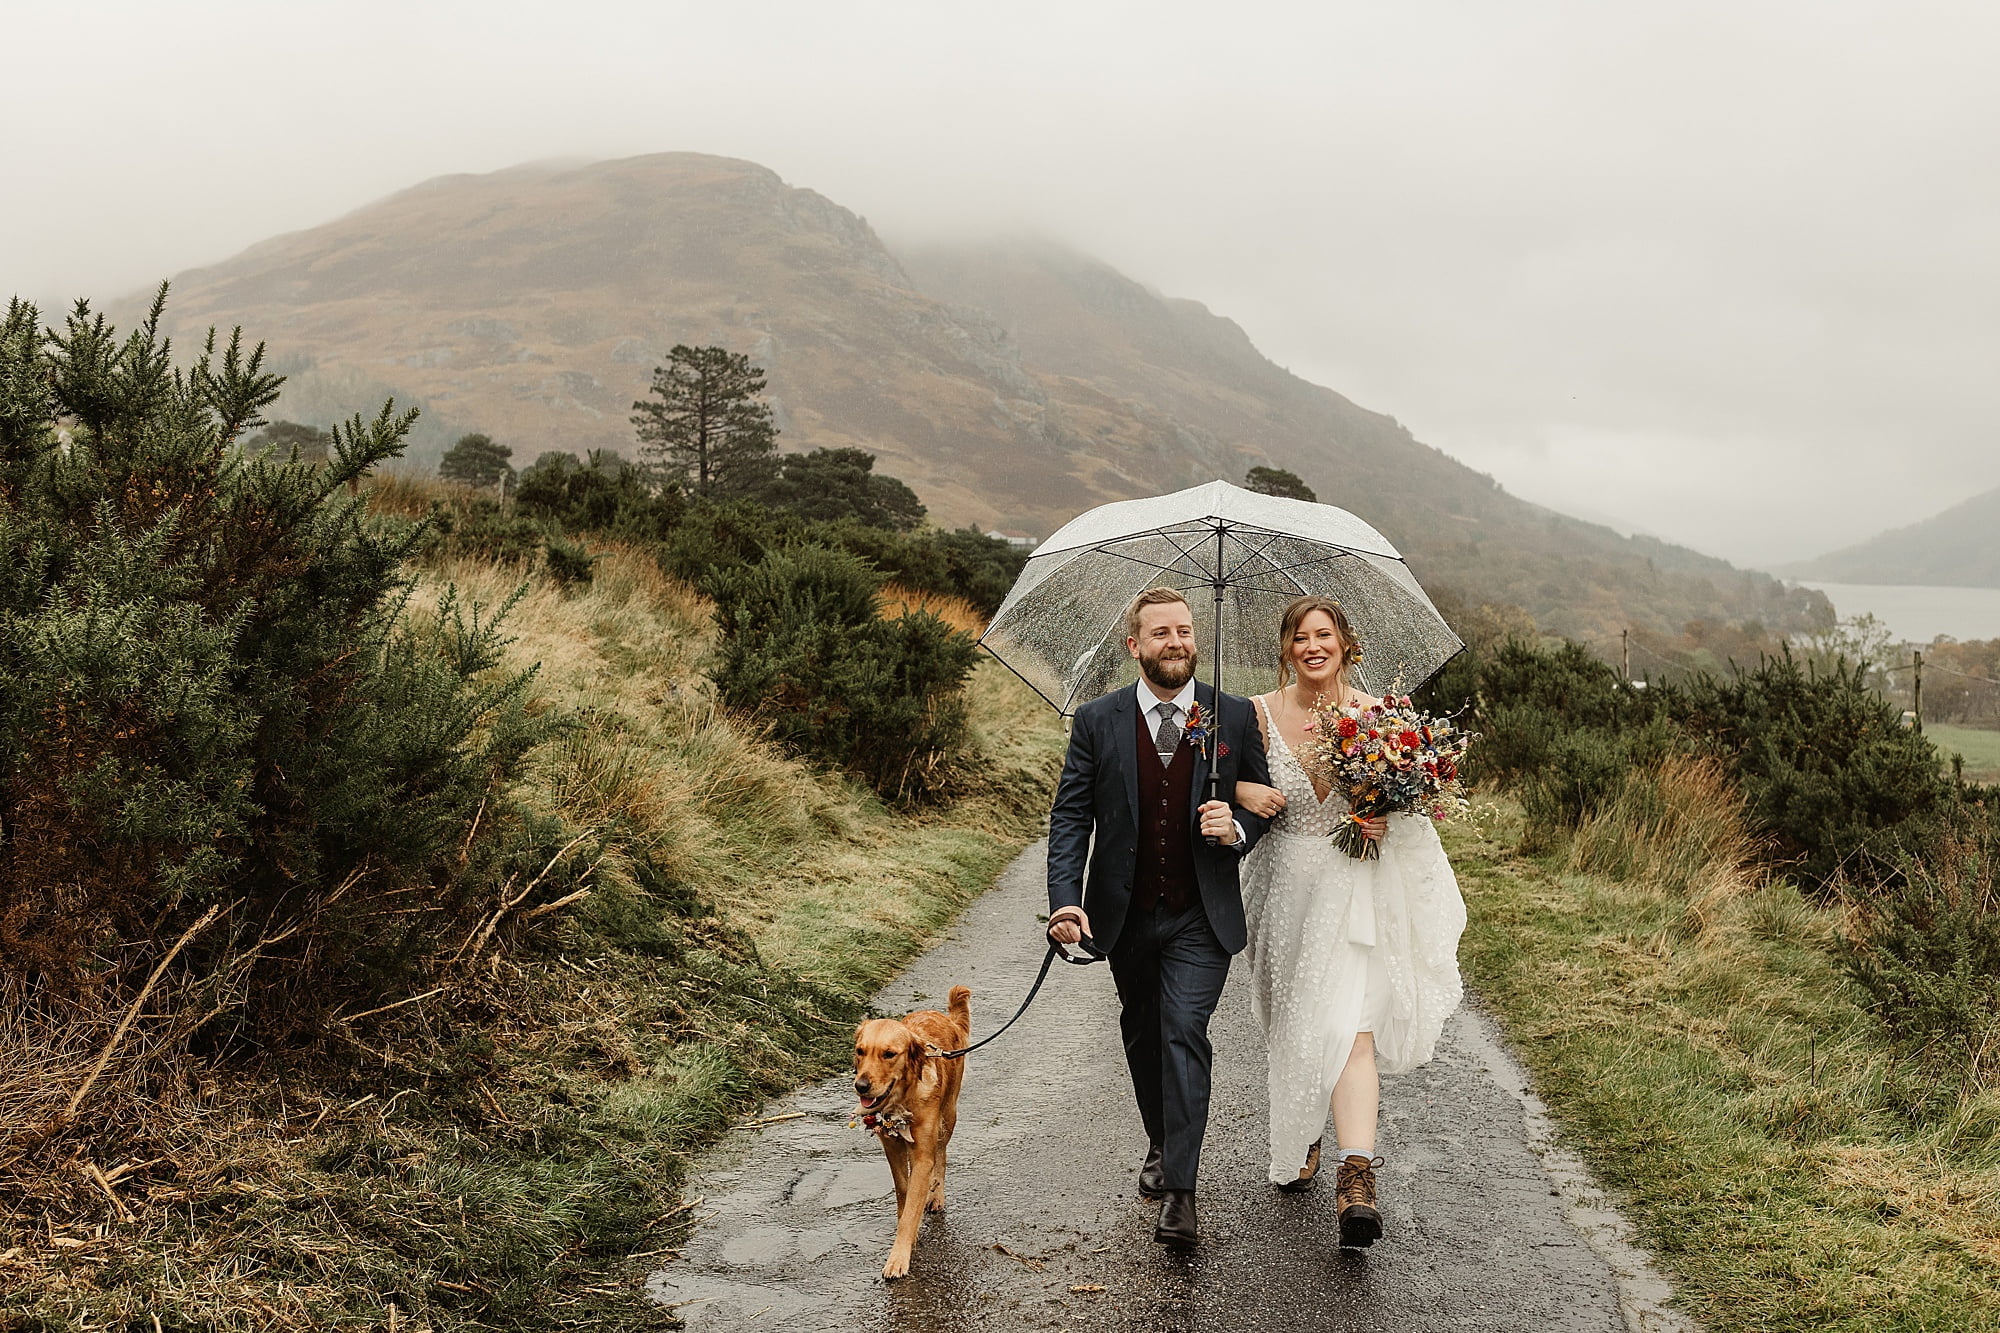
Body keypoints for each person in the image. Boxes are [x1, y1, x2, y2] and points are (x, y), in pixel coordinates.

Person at [1232, 594, 1466, 1247]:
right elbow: (1219, 780)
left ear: (1344, 643)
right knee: (1294, 1024)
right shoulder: (1254, 714)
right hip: (1282, 890)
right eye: (1301, 636)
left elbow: (1414, 809)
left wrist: (1384, 815)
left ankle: (1356, 1177)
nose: (1313, 645)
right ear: (1287, 648)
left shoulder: (1380, 719)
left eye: (1324, 634)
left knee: (1351, 1029)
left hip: (1354, 887)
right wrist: (1241, 790)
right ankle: (1304, 1133)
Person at [1046, 586, 1273, 1247]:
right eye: (1161, 632)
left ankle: (1181, 1189)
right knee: (1144, 1034)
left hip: (1202, 914)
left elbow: (1261, 803)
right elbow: (1070, 816)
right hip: (1126, 911)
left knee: (1182, 1030)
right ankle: (1160, 1135)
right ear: (1135, 646)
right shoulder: (1096, 719)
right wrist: (1066, 897)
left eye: (1184, 630)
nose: (1176, 641)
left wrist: (1234, 825)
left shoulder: (1232, 715)